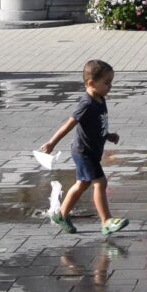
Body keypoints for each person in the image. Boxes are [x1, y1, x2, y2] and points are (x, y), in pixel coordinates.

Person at [37, 59, 124, 236]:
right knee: (100, 182)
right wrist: (52, 143)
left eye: (111, 82)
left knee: (82, 184)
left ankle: (61, 215)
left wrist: (108, 135)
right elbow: (69, 124)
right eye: (106, 82)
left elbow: (96, 124)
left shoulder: (99, 98)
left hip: (90, 151)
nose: (110, 86)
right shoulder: (86, 104)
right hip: (84, 152)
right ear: (91, 83)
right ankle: (106, 221)